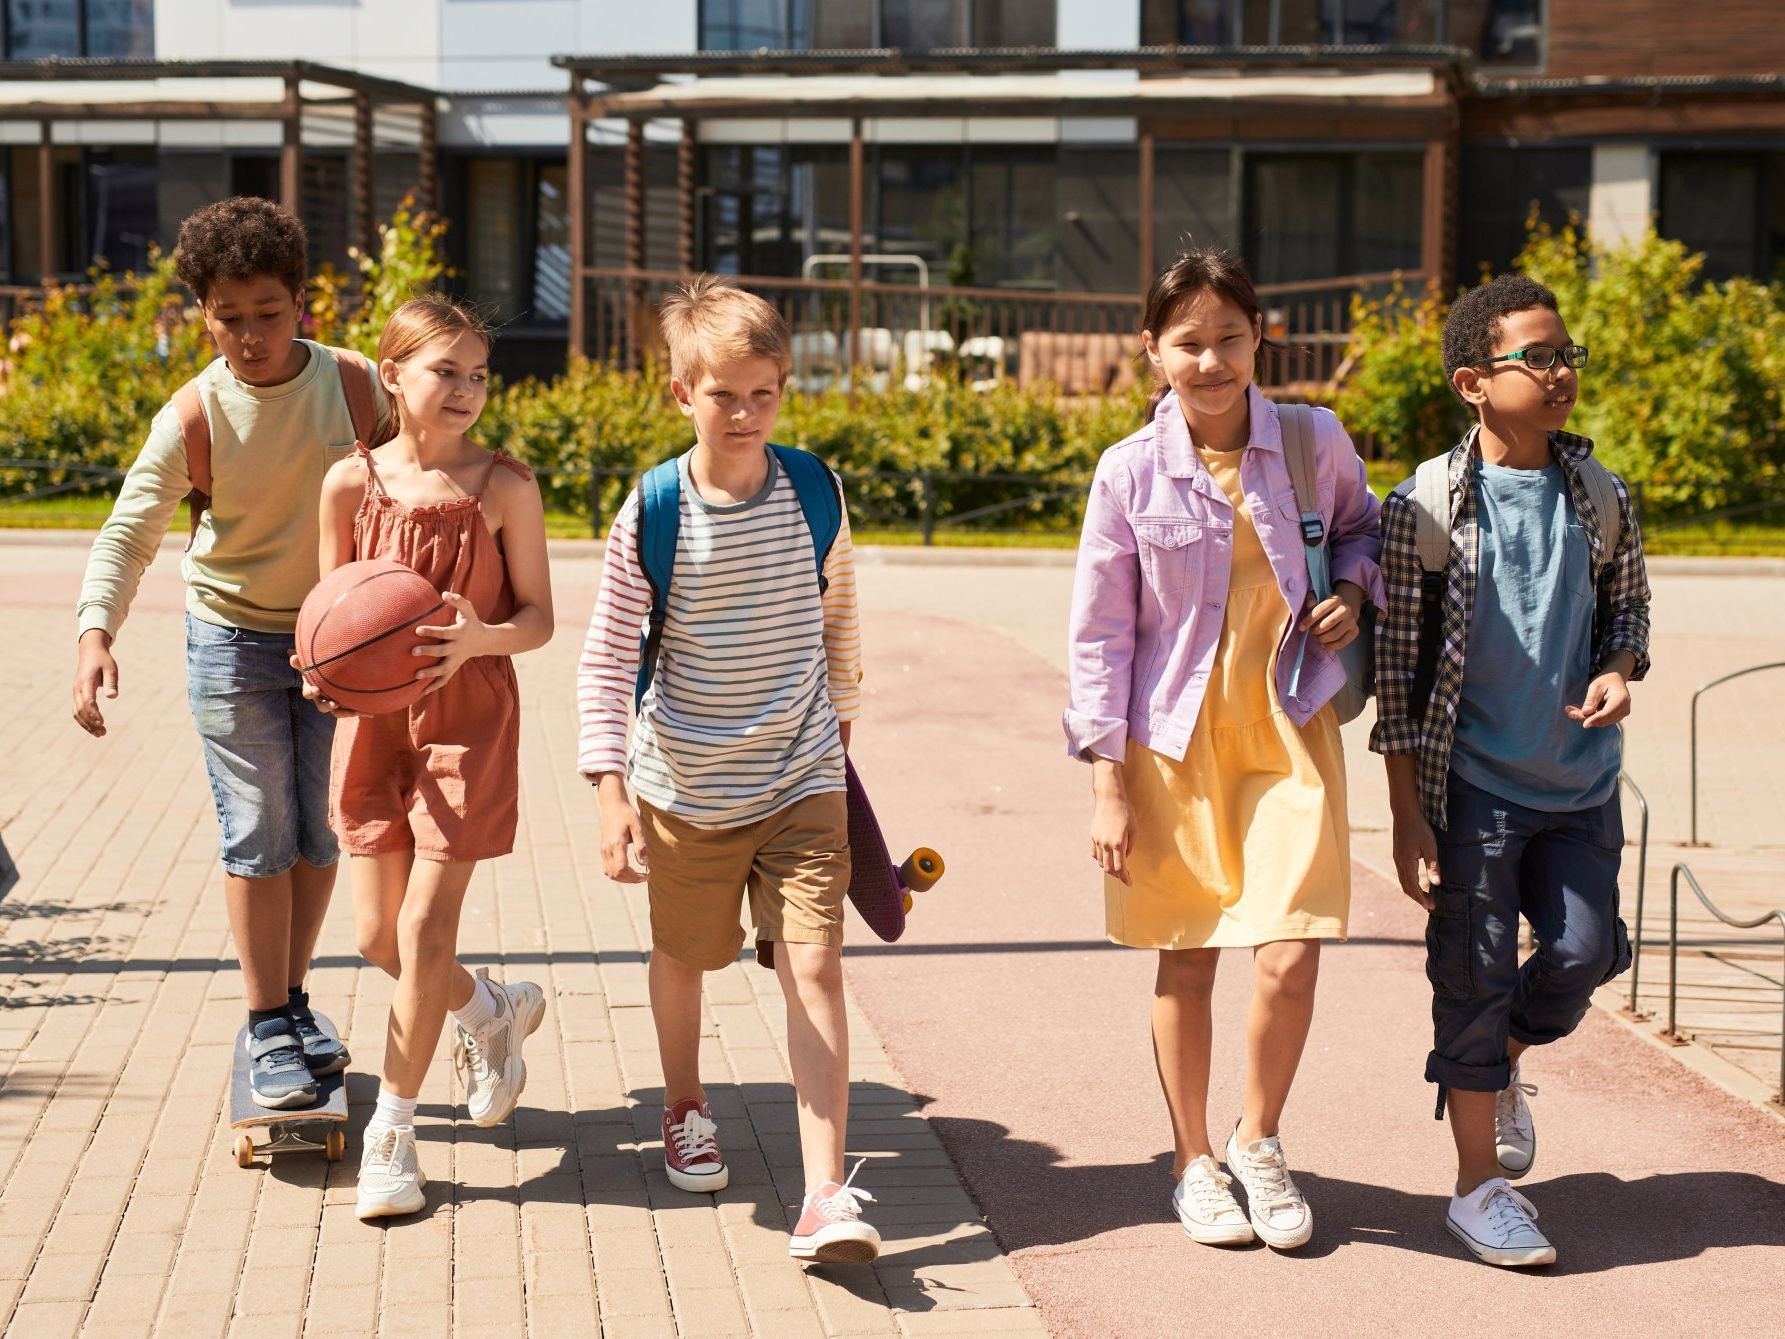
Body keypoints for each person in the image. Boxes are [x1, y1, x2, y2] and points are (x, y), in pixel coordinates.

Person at [1064, 248, 1383, 1250]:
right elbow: (1100, 636)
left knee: (1291, 952)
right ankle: (1191, 1160)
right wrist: (1107, 785)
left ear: (1260, 336)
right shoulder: (1127, 472)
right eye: (1189, 343)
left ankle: (1259, 1138)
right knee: (1189, 960)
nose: (1211, 361)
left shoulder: (1309, 439)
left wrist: (1353, 594)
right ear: (1153, 349)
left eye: (1229, 339)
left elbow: (1367, 528)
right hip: (1171, 745)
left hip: (1289, 723)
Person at [576, 276, 879, 1263]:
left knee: (817, 965)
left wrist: (840, 729)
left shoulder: (813, 488)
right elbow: (609, 655)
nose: (746, 413)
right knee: (687, 958)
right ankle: (684, 1102)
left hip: (801, 777)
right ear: (680, 394)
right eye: (725, 395)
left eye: (765, 392)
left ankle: (826, 1192)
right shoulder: (654, 509)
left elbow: (837, 615)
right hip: (687, 790)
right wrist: (610, 788)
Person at [72, 197, 387, 1110]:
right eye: (229, 317)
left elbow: (419, 485)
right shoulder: (195, 413)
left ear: (303, 306)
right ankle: (264, 1023)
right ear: (201, 313)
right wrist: (97, 630)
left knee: (317, 833)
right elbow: (130, 531)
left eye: (268, 314)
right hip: (232, 637)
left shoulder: (359, 389)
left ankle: (291, 1002)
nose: (249, 336)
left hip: (338, 644)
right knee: (258, 829)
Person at [1372, 273, 1649, 1268]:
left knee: (1585, 953)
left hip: (1579, 785)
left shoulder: (1604, 492)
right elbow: (1396, 674)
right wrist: (1407, 817)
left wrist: (1619, 671)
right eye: (1538, 356)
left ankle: (1507, 1066)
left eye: (1567, 350)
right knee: (1473, 979)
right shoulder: (1426, 506)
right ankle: (1476, 1187)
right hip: (1473, 791)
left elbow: (1629, 616)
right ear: (1472, 383)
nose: (1561, 368)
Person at [307, 297, 554, 1219]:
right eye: (444, 369)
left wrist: (477, 638)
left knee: (420, 933)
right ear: (392, 375)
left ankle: (391, 1134)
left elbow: (538, 619)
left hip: (468, 721)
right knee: (379, 937)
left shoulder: (505, 487)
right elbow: (327, 611)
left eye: (478, 373)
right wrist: (321, 672)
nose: (464, 389)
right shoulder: (348, 485)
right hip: (372, 728)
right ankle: (490, 1007)